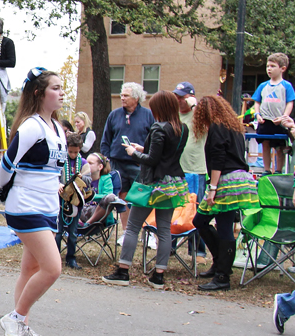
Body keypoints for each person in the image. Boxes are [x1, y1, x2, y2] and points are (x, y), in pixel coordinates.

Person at [0, 67, 66, 336]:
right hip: (26, 205)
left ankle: (22, 325)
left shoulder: (58, 127)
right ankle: (15, 318)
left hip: (49, 205)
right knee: (52, 268)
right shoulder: (31, 126)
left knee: (31, 268)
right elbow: (6, 166)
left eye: (62, 88)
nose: (61, 93)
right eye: (56, 88)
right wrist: (1, 191)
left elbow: (53, 171)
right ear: (39, 93)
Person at [102, 90, 189, 290]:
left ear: (160, 108)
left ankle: (123, 271)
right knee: (164, 229)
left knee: (133, 226)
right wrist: (143, 148)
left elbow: (152, 160)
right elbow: (165, 154)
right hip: (172, 183)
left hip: (152, 184)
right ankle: (159, 275)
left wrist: (134, 153)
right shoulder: (182, 129)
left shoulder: (158, 128)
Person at [191, 95, 259, 292]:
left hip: (226, 181)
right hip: (239, 178)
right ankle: (221, 265)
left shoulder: (217, 127)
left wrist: (212, 188)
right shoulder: (234, 127)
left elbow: (218, 158)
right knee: (217, 224)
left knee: (213, 224)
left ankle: (222, 275)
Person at [101, 82, 155, 234]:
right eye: (121, 95)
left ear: (136, 98)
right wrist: (107, 161)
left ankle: (147, 232)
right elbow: (106, 139)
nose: (122, 98)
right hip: (117, 163)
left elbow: (154, 140)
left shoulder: (148, 115)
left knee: (142, 197)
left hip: (139, 163)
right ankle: (126, 232)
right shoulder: (114, 115)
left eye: (126, 95)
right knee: (122, 196)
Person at [174, 82, 208, 263]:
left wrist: (194, 105)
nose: (178, 100)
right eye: (176, 96)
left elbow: (213, 123)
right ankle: (170, 245)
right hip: (176, 169)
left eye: (182, 97)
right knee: (173, 207)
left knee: (196, 210)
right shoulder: (174, 115)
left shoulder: (199, 116)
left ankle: (198, 251)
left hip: (196, 169)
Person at [253, 53, 294, 174]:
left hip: (279, 122)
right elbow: (257, 102)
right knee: (265, 145)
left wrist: (284, 117)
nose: (269, 69)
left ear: (282, 68)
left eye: (272, 66)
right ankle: (266, 169)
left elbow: (289, 103)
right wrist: (257, 115)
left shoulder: (286, 86)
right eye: (267, 66)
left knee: (279, 147)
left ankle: (278, 170)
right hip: (265, 121)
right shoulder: (263, 85)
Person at [56, 132, 89, 269]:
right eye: (70, 151)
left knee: (73, 232)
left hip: (76, 203)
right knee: (58, 231)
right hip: (60, 201)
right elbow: (54, 175)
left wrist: (82, 177)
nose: (73, 155)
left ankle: (71, 257)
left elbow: (89, 180)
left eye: (76, 152)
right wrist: (57, 184)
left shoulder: (84, 163)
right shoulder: (61, 160)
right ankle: (55, 257)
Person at [79, 152, 123, 227]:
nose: (86, 165)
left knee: (111, 197)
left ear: (100, 166)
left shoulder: (106, 179)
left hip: (97, 212)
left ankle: (87, 224)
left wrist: (92, 196)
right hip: (80, 210)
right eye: (86, 162)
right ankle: (78, 223)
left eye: (90, 163)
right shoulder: (81, 177)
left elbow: (107, 195)